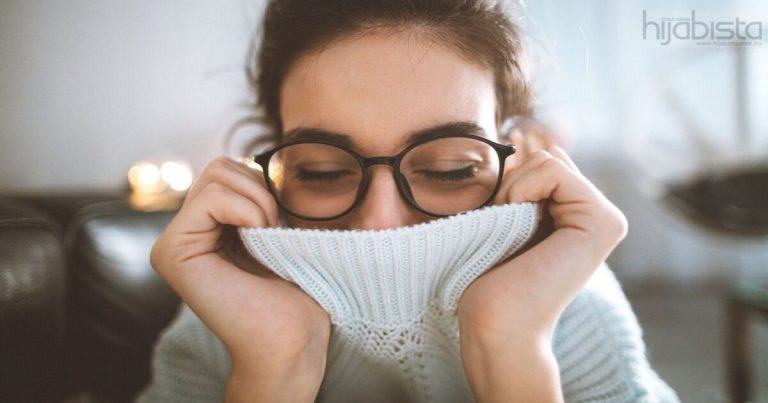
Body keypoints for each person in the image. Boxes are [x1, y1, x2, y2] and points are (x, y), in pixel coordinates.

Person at [140, 0, 678, 402]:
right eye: (322, 172)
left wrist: (511, 349)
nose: (381, 224)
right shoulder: (224, 310)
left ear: (520, 159)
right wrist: (270, 369)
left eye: (450, 170)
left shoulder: (572, 303)